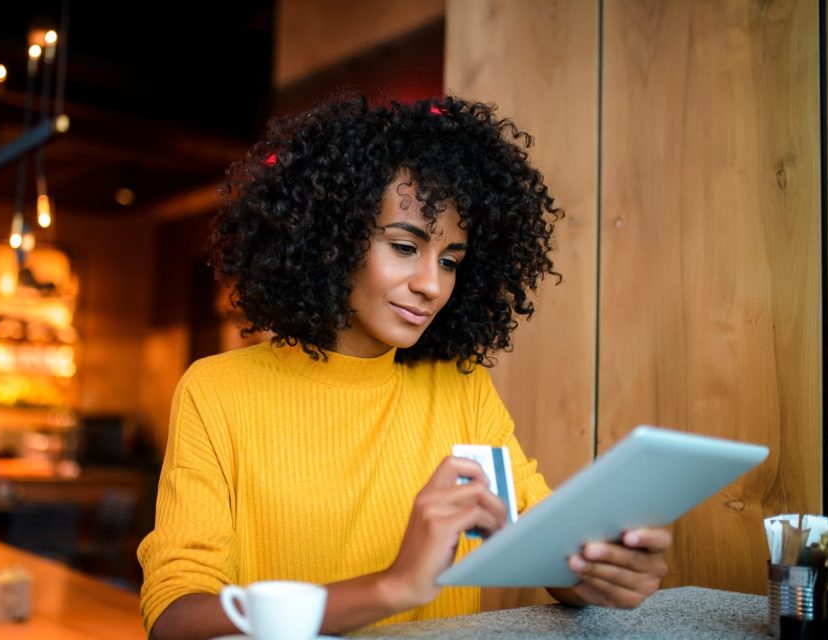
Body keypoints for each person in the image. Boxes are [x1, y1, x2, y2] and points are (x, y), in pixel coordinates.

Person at [137, 95, 671, 639]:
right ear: (331, 240)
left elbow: (541, 544)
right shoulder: (217, 391)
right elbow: (176, 619)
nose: (431, 285)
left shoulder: (460, 387)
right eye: (403, 246)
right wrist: (392, 586)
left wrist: (603, 568)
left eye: (449, 261)